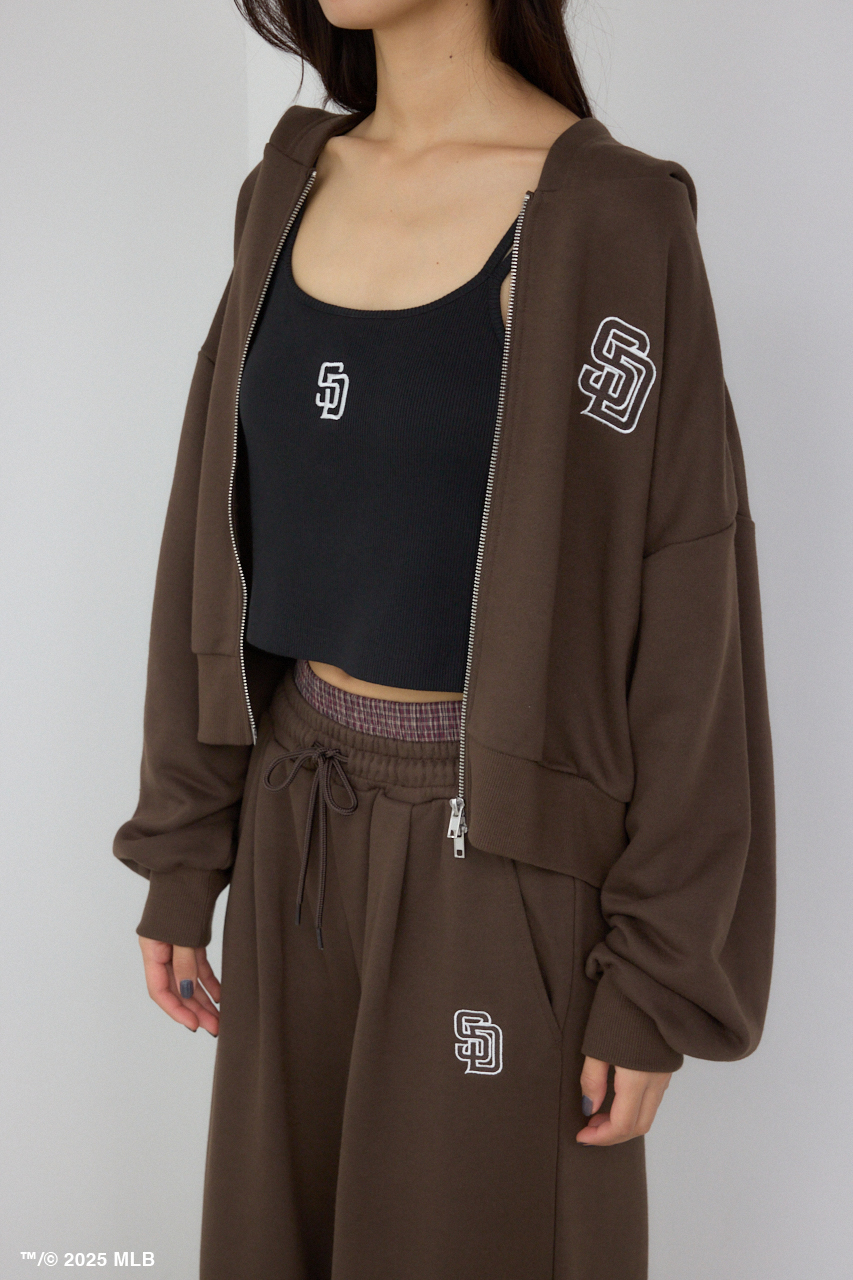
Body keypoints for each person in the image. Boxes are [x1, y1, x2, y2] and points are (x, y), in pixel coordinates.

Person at [113, 0, 776, 1274]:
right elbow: (210, 530)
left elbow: (692, 605)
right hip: (297, 822)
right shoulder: (284, 191)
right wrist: (185, 840)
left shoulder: (614, 219)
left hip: (504, 863)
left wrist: (660, 974)